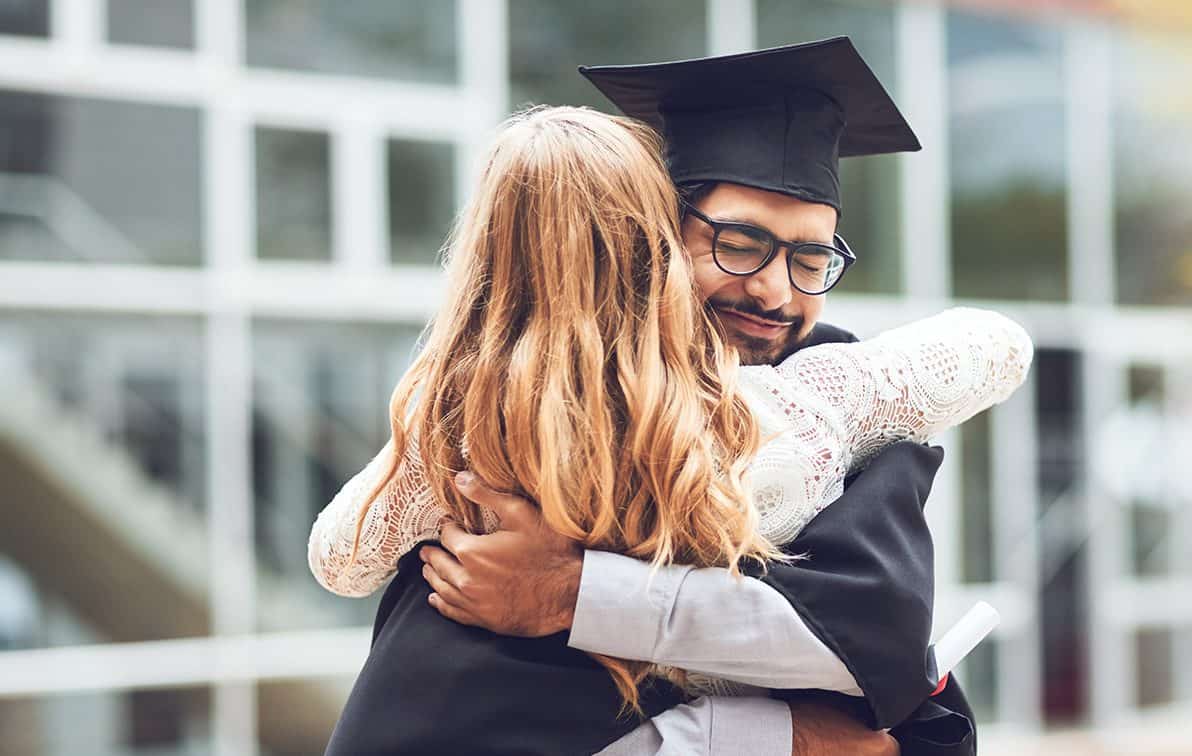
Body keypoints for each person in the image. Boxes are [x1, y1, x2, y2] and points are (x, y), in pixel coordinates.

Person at [322, 39, 1006, 756]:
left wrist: (575, 593)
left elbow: (870, 642)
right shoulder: (504, 427)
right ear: (654, 238)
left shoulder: (838, 403)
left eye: (811, 259)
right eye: (741, 244)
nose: (777, 291)